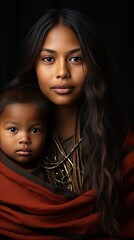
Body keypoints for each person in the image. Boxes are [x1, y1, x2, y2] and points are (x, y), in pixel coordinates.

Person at [1, 8, 134, 240]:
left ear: (93, 64)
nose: (62, 72)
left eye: (75, 58)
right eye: (48, 59)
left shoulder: (119, 141)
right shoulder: (10, 137)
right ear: (34, 65)